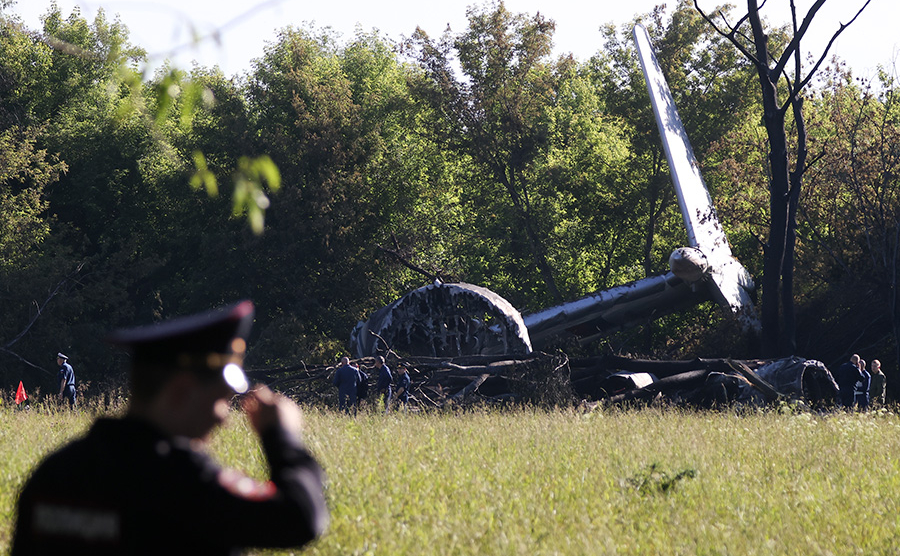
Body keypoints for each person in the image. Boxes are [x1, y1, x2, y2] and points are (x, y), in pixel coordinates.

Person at [13, 301, 328, 555]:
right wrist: (281, 437)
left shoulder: (53, 475)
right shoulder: (184, 481)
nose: (223, 419)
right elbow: (299, 518)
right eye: (219, 401)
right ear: (180, 392)